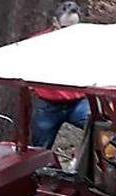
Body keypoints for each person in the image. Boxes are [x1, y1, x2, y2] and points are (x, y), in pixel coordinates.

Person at [30, 2, 88, 149]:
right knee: (39, 149)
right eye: (65, 28)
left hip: (78, 103)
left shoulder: (86, 44)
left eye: (74, 29)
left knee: (103, 131)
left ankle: (92, 166)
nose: (70, 34)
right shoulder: (38, 44)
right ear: (55, 23)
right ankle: (46, 170)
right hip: (48, 104)